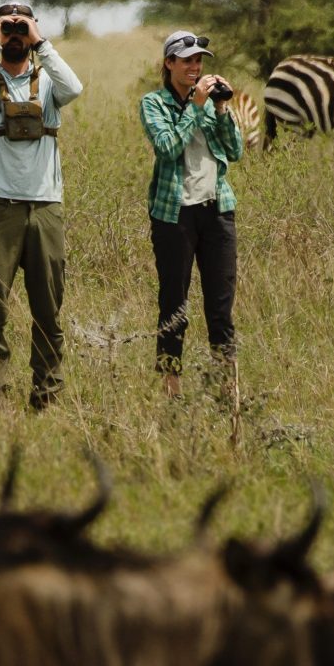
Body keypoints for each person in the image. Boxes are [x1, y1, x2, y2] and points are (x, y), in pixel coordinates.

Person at [0, 1, 83, 410]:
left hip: (44, 205)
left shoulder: (48, 79)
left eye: (20, 27)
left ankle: (46, 396)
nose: (14, 35)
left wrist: (40, 42)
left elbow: (74, 89)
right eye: (7, 26)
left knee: (48, 306)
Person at [138, 29, 242, 394]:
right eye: (187, 61)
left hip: (217, 212)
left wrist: (221, 107)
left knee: (220, 305)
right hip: (175, 215)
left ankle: (226, 390)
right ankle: (172, 390)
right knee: (174, 304)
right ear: (169, 64)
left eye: (199, 61)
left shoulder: (209, 102)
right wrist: (195, 108)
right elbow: (167, 147)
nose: (195, 67)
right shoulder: (154, 103)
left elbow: (235, 151)